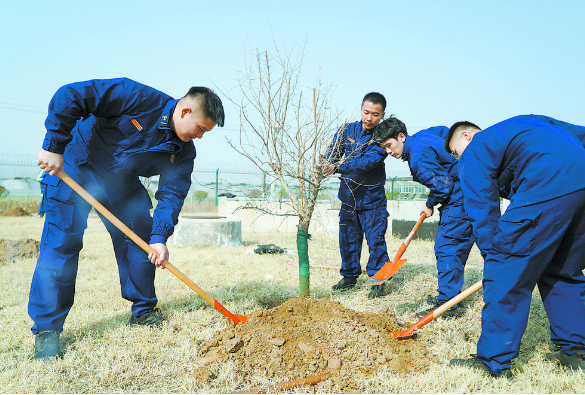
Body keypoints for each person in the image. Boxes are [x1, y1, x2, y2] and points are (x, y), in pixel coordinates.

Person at [31, 78, 225, 360]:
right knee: (61, 246)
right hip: (75, 167)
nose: (200, 136)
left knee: (141, 240)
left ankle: (143, 311)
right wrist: (53, 145)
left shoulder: (182, 152)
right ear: (185, 112)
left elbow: (172, 194)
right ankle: (48, 331)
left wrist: (159, 239)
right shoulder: (136, 97)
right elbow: (70, 95)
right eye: (201, 128)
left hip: (119, 184)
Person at [444, 115, 585, 377]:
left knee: (506, 272)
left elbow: (482, 209)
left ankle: (494, 362)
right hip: (582, 181)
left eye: (454, 151)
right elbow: (579, 133)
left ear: (466, 136)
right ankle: (574, 351)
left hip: (546, 178)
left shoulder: (475, 148)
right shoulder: (527, 122)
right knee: (563, 268)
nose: (457, 158)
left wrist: (495, 257)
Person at [372, 117, 475, 318]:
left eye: (389, 145)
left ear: (401, 136)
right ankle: (451, 295)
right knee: (457, 247)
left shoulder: (417, 157)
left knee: (447, 248)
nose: (389, 152)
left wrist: (429, 204)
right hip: (467, 188)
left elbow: (443, 187)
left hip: (459, 197)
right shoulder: (424, 136)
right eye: (384, 148)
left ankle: (447, 305)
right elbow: (445, 132)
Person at [322, 92, 390, 299]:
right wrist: (326, 163)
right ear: (361, 109)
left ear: (382, 115)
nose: (369, 118)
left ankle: (378, 281)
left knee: (375, 241)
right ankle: (349, 276)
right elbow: (333, 152)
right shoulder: (347, 129)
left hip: (372, 201)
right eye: (366, 112)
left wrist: (338, 167)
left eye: (375, 114)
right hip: (348, 198)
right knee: (348, 239)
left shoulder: (383, 136)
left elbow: (367, 163)